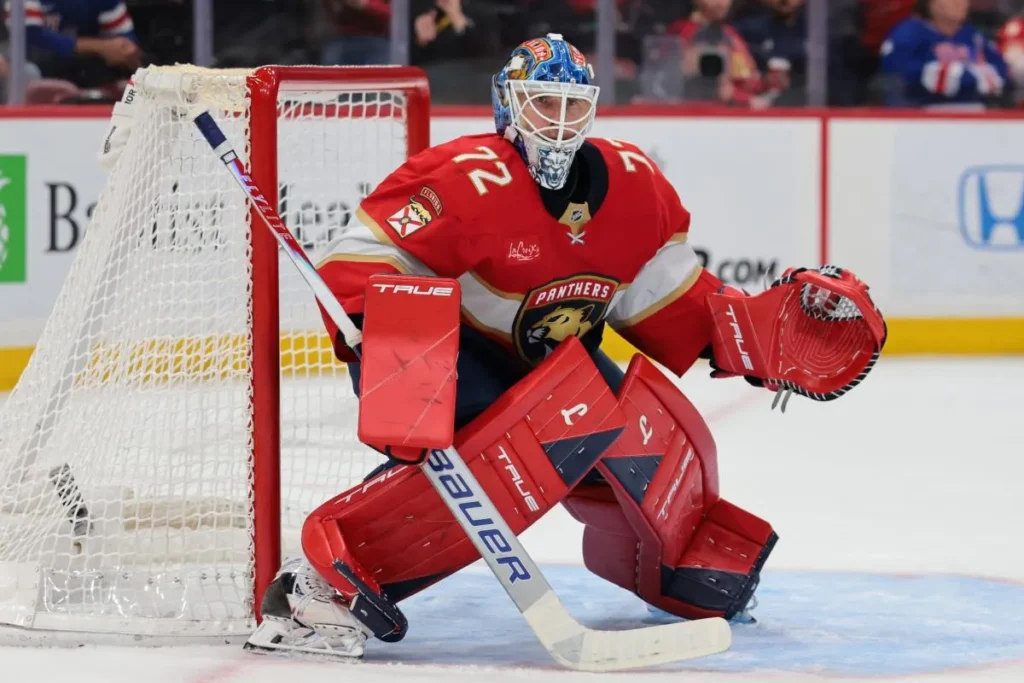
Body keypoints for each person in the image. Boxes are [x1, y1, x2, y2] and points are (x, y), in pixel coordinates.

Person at [244, 34, 884, 660]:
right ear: (508, 106)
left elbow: (659, 292)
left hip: (555, 364)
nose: (558, 121)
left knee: (642, 436)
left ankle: (689, 567)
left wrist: (743, 338)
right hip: (455, 350)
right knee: (509, 458)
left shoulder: (635, 185)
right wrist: (393, 344)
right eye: (542, 103)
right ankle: (317, 587)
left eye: (572, 106)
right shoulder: (464, 177)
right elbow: (361, 257)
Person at [879, 0, 1008, 109]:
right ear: (932, 3)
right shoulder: (908, 33)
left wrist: (952, 75)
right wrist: (969, 76)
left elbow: (1001, 70)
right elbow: (899, 72)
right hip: (920, 114)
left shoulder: (974, 36)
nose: (959, 3)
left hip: (975, 114)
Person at [2, 0, 141, 89]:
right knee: (29, 71)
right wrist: (100, 47)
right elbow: (30, 37)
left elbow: (126, 42)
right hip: (33, 65)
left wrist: (125, 50)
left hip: (85, 70)